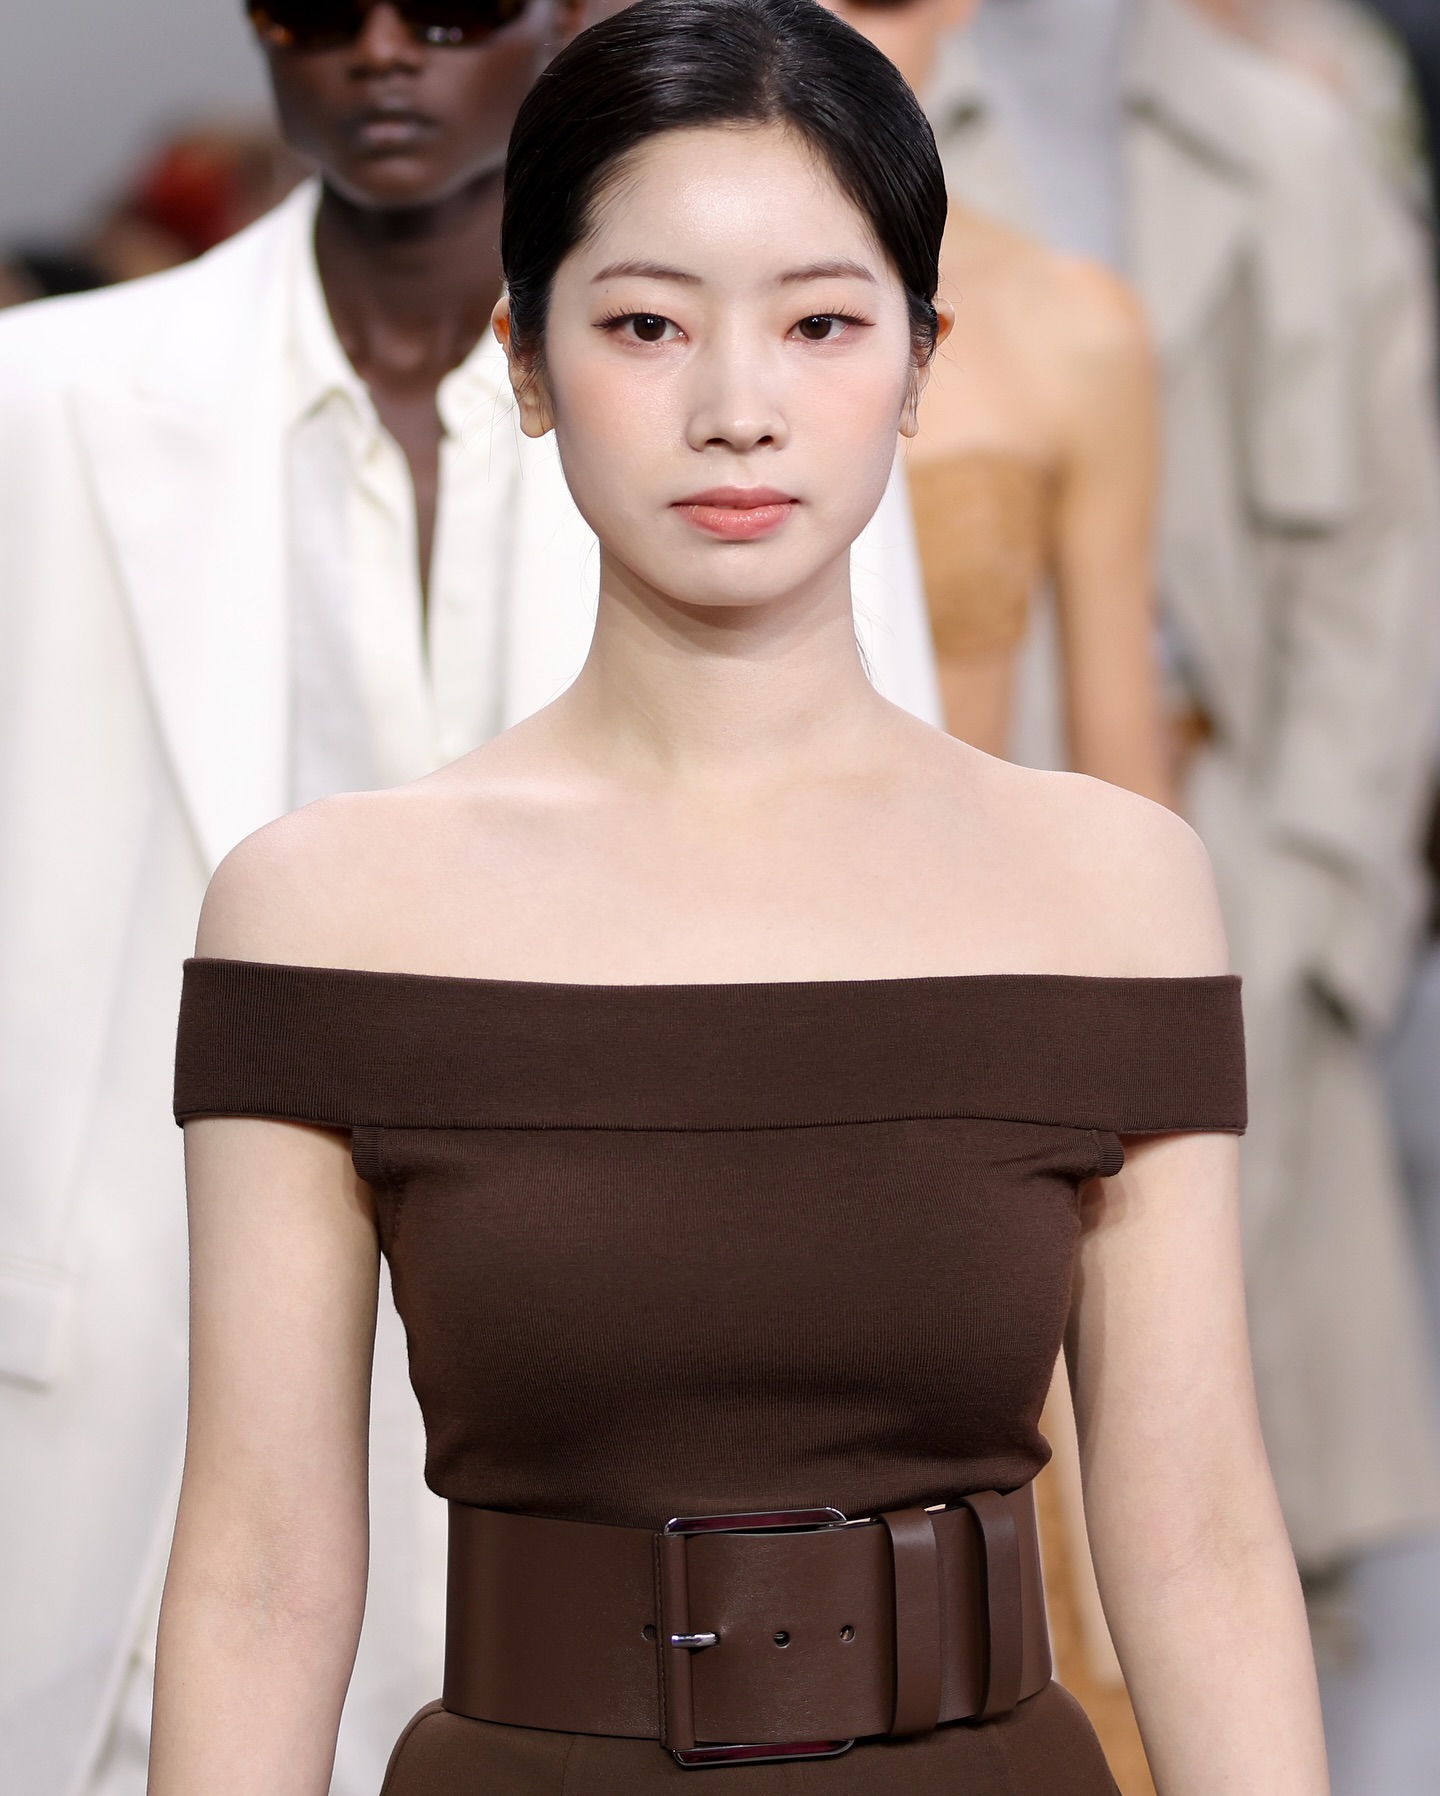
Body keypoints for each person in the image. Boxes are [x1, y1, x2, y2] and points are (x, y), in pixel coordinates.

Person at [155, 2, 1327, 1791]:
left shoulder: (1109, 887)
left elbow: (1203, 1544)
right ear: (525, 363)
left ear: (920, 363)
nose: (737, 411)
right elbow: (257, 1576)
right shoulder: (323, 909)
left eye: (821, 323)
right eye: (646, 324)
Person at [0, 5, 940, 1793]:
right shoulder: (41, 403)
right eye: (322, 9)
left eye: (449, 7)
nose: (384, 55)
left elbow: (883, 891)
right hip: (120, 1402)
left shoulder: (756, 433)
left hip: (576, 1425)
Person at [932, 0, 1440, 1583]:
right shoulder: (846, 116)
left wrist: (1323, 884)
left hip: (1239, 832)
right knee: (994, 1465)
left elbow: (1387, 537)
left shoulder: (1290, 140)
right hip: (957, 847)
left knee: (1248, 1489)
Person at [830, 0, 1171, 805]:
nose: (813, 29)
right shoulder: (598, 325)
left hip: (962, 875)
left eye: (874, 0)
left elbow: (1122, 778)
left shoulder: (1072, 327)